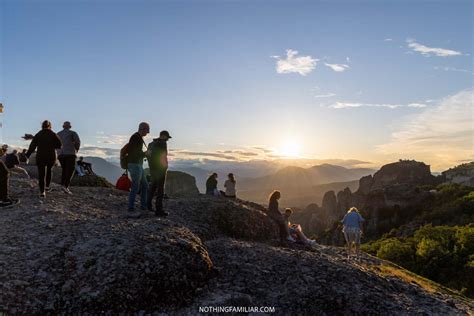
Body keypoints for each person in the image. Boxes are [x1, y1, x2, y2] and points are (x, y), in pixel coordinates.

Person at [26, 120, 62, 198]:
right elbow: (59, 145)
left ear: (42, 126)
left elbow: (32, 146)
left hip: (40, 155)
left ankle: (42, 192)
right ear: (50, 126)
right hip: (51, 156)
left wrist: (27, 155)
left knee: (41, 174)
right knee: (49, 170)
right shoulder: (53, 134)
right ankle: (47, 187)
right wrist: (51, 145)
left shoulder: (38, 134)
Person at [126, 122, 150, 218]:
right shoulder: (136, 138)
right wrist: (145, 153)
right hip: (135, 165)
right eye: (147, 130)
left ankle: (143, 206)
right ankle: (131, 207)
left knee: (144, 185)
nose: (147, 132)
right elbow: (135, 153)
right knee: (136, 186)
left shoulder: (137, 137)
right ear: (142, 129)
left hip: (137, 165)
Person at [147, 130, 171, 216]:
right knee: (160, 189)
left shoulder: (151, 144)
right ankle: (159, 210)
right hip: (160, 169)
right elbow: (163, 156)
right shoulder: (162, 143)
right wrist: (165, 167)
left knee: (153, 187)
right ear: (163, 136)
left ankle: (148, 205)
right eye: (167, 138)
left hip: (152, 169)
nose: (167, 140)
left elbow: (148, 155)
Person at [57, 121, 81, 194]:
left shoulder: (58, 134)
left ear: (63, 126)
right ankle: (65, 186)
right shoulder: (73, 133)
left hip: (61, 155)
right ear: (70, 127)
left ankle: (62, 186)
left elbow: (55, 143)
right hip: (70, 154)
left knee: (64, 170)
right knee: (70, 170)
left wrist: (58, 151)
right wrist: (76, 149)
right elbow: (78, 142)